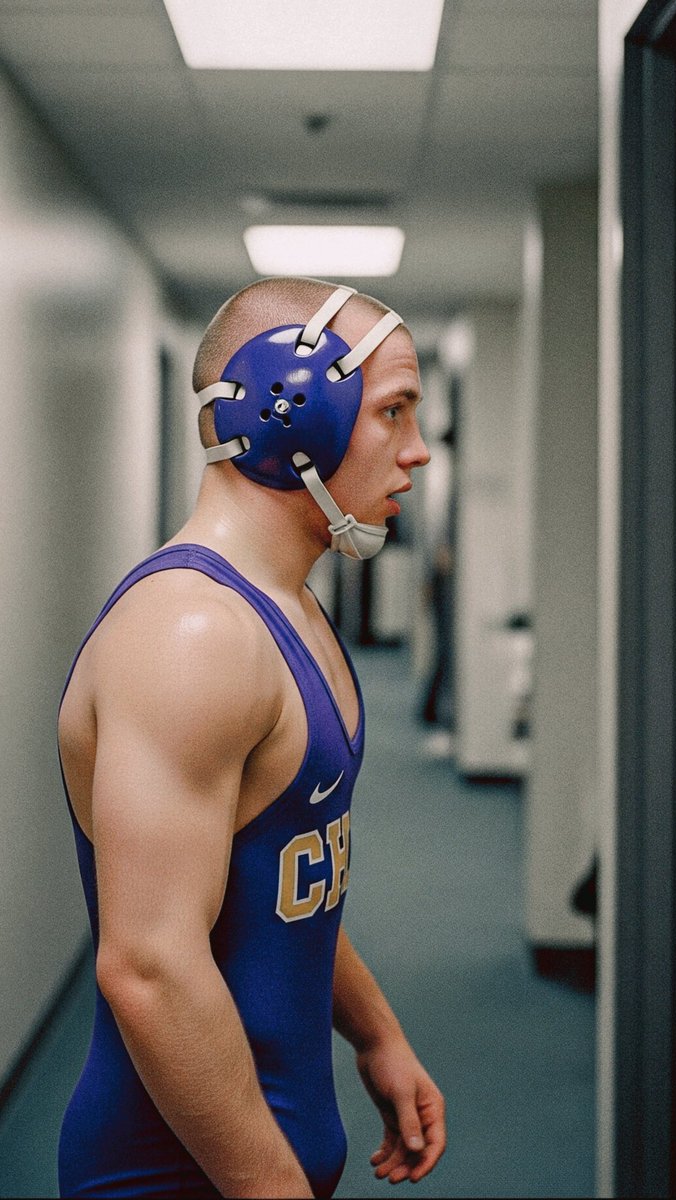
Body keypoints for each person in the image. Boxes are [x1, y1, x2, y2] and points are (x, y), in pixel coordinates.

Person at [57, 277, 445, 1198]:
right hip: (173, 1174)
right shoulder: (191, 635)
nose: (419, 452)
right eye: (393, 412)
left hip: (259, 1154)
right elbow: (150, 967)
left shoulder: (287, 609)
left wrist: (377, 1032)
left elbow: (266, 889)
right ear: (294, 412)